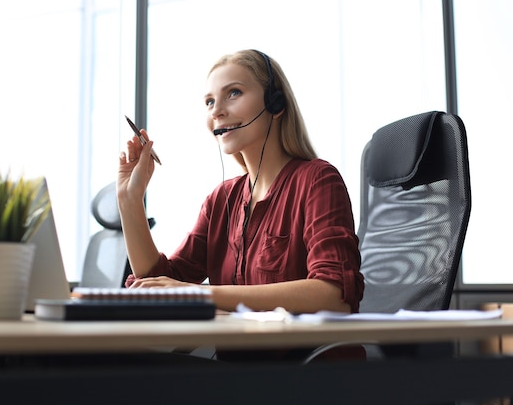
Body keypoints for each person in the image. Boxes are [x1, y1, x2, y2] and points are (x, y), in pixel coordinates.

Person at [117, 49, 364, 361]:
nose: (216, 111)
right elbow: (163, 278)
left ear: (275, 104)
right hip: (240, 377)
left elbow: (332, 294)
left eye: (233, 93)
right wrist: (130, 200)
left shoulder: (317, 180)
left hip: (305, 378)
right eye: (209, 102)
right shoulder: (222, 200)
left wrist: (199, 295)